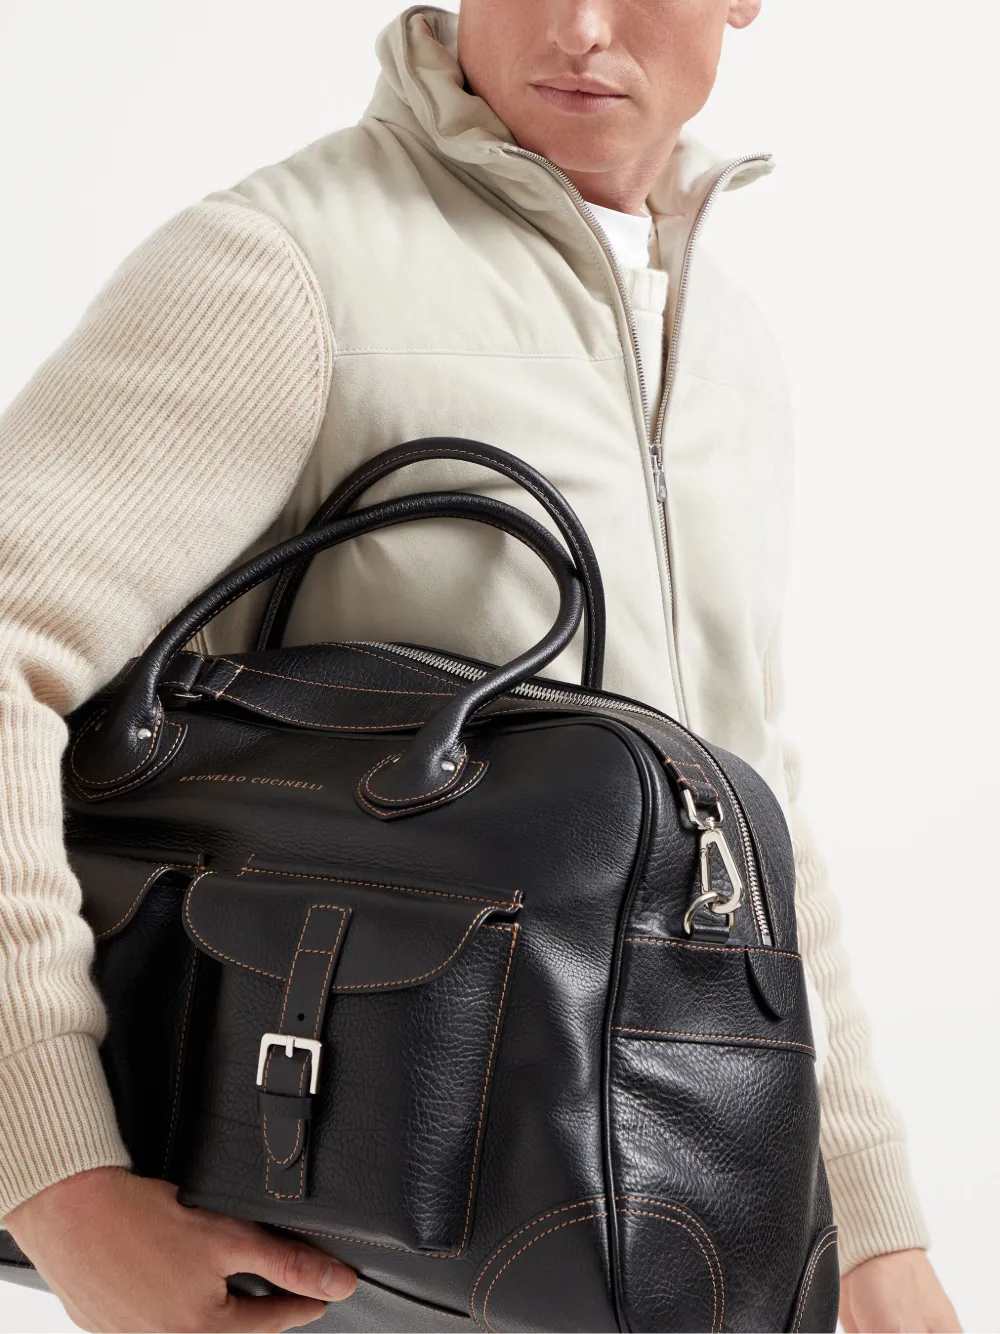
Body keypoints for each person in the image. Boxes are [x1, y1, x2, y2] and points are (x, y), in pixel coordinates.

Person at [0, 2, 962, 1332]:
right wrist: (54, 1176)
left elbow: (746, 813)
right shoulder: (290, 264)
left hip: (632, 1242)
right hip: (338, 1240)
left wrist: (868, 1228)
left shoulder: (723, 339)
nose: (579, 27)